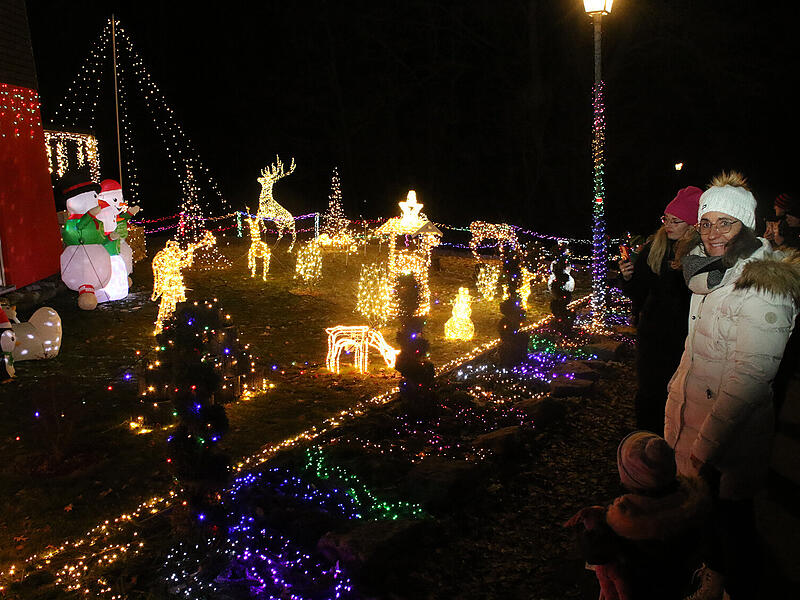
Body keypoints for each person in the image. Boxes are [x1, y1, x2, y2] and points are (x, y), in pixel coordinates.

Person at [665, 171, 800, 599]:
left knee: (734, 523)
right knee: (714, 520)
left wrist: (704, 446)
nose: (712, 233)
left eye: (726, 222)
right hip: (700, 421)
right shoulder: (712, 276)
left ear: (747, 226)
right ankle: (715, 574)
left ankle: (733, 584)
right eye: (706, 222)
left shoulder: (763, 286)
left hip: (730, 434)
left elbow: (750, 380)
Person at [564, 431, 710, 600]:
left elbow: (596, 554)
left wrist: (593, 528)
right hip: (676, 586)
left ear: (630, 478)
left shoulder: (625, 521)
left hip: (638, 590)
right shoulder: (690, 503)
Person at [618, 186, 702, 435]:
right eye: (666, 219)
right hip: (653, 334)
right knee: (649, 391)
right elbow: (639, 291)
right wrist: (628, 278)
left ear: (692, 225)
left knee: (680, 394)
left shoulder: (700, 253)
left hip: (686, 337)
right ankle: (646, 441)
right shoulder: (655, 247)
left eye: (676, 221)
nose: (669, 226)